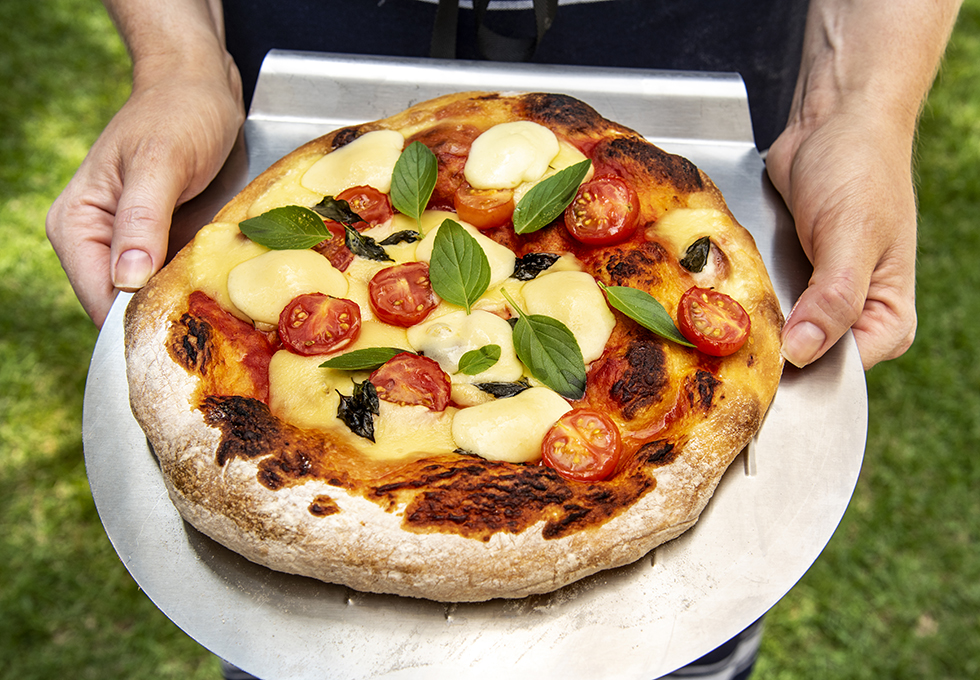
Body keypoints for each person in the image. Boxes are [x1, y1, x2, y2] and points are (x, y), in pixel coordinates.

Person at [46, 1, 962, 678]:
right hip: (318, 23)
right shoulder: (248, 342)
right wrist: (178, 59)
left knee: (674, 652)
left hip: (686, 25)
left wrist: (857, 106)